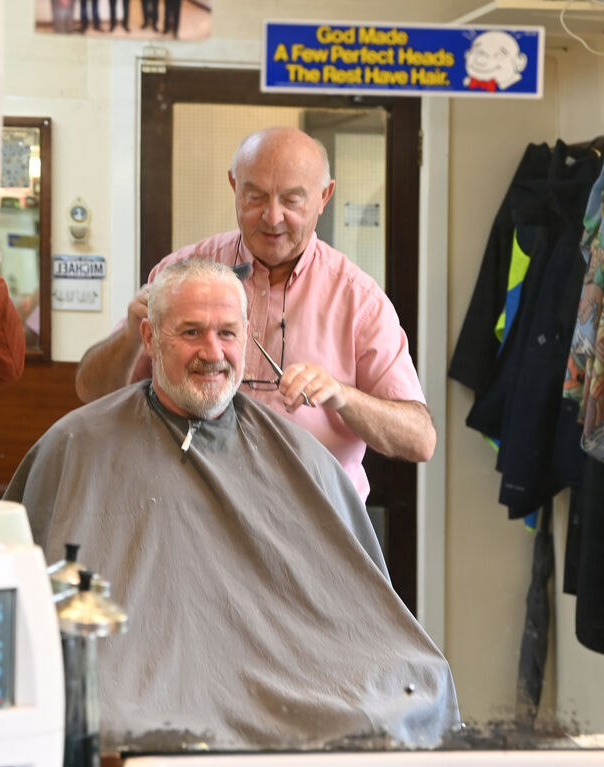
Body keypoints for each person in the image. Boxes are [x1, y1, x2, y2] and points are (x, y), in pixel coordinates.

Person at [5, 259, 457, 750]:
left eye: (227, 333)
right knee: (100, 724)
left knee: (414, 686)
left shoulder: (299, 457)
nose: (212, 352)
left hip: (288, 671)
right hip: (135, 684)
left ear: (246, 336)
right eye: (191, 332)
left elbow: (359, 612)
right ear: (150, 338)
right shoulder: (77, 446)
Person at [74, 126, 435, 500]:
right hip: (188, 514)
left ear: (324, 196)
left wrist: (342, 396)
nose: (272, 217)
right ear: (234, 186)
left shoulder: (359, 300)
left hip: (311, 527)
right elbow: (92, 392)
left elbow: (419, 440)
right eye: (255, 196)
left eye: (292, 201)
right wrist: (133, 334)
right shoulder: (180, 273)